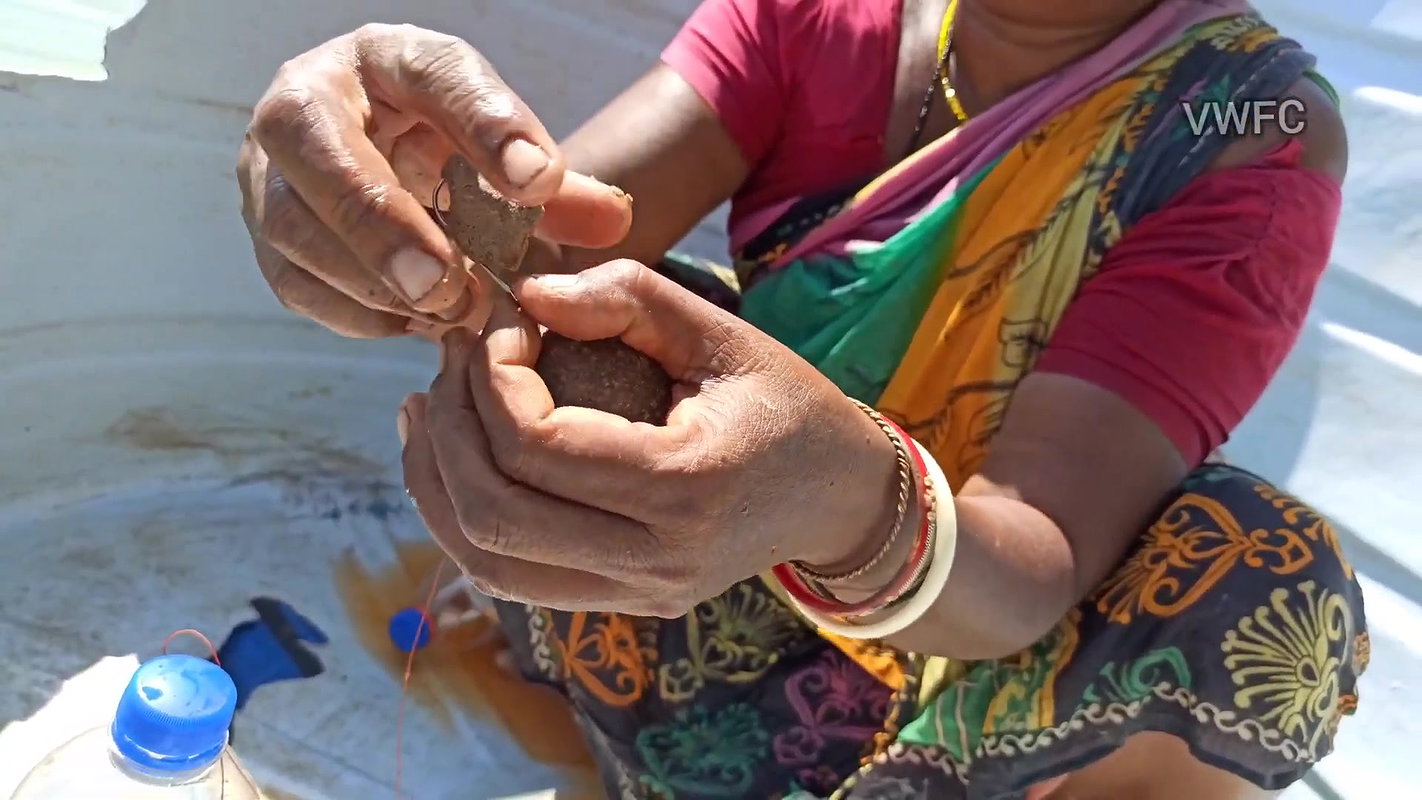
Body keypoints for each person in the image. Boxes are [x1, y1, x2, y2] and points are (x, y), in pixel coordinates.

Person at [236, 0, 1369, 797]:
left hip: (965, 695)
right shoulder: (823, 13)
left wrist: (844, 499)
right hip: (700, 600)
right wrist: (409, 183)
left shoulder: (1244, 126)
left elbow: (1033, 562)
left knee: (1264, 582)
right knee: (605, 319)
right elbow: (546, 242)